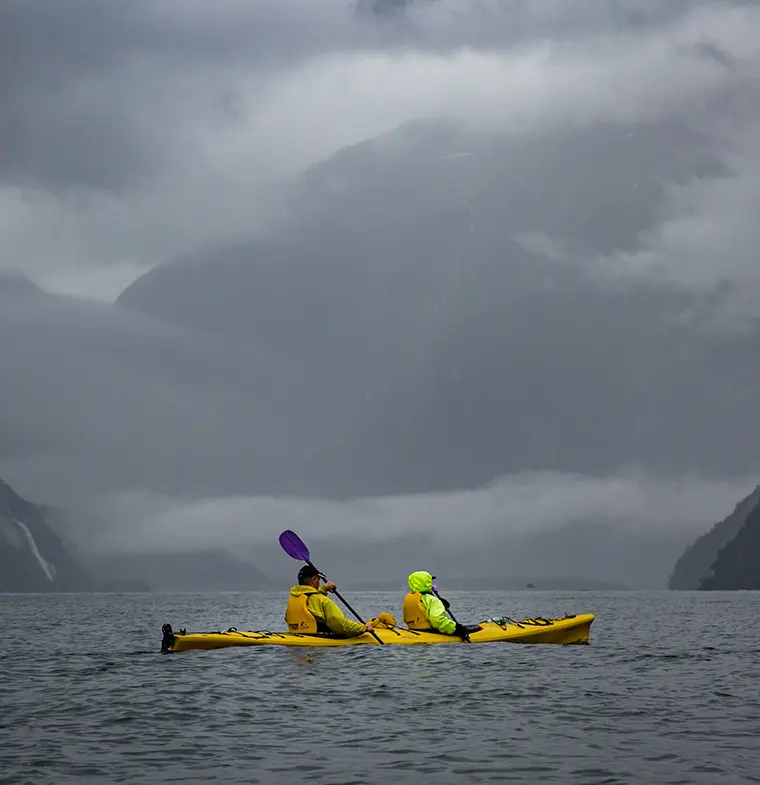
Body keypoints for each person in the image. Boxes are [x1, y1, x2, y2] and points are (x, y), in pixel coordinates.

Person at [285, 564, 374, 637]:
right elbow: (340, 625)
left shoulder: (294, 598)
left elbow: (312, 599)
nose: (319, 582)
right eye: (318, 579)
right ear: (312, 580)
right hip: (319, 641)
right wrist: (364, 628)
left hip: (297, 638)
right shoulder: (323, 601)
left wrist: (324, 588)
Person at [402, 570, 473, 638]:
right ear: (427, 583)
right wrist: (455, 629)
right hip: (431, 633)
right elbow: (437, 620)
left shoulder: (410, 599)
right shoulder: (433, 600)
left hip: (415, 632)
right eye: (430, 581)